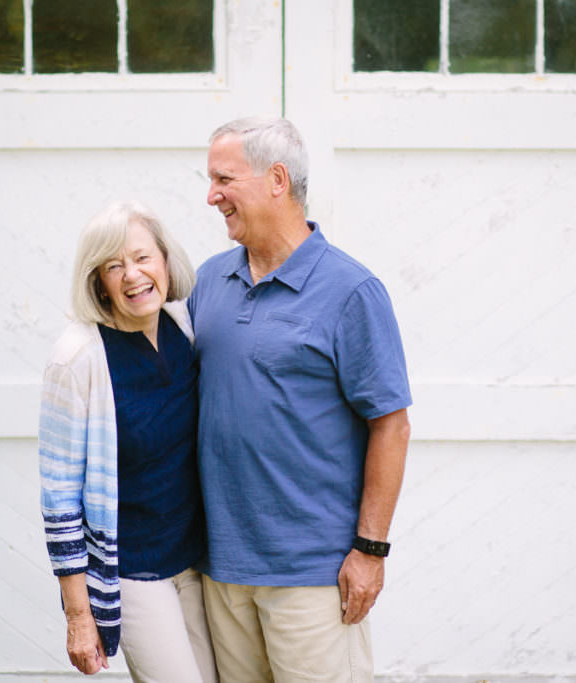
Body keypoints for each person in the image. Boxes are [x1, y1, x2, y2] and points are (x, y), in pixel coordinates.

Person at [188, 116, 412, 682]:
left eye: (224, 179)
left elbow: (391, 424)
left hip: (314, 573)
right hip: (221, 568)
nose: (211, 195)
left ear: (277, 179)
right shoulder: (208, 282)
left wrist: (371, 550)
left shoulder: (351, 291)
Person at [38, 200, 218, 683]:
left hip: (198, 562)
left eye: (142, 258)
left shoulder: (185, 328)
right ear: (98, 281)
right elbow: (59, 502)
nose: (132, 275)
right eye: (113, 266)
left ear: (164, 260)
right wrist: (79, 617)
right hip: (134, 572)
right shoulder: (78, 358)